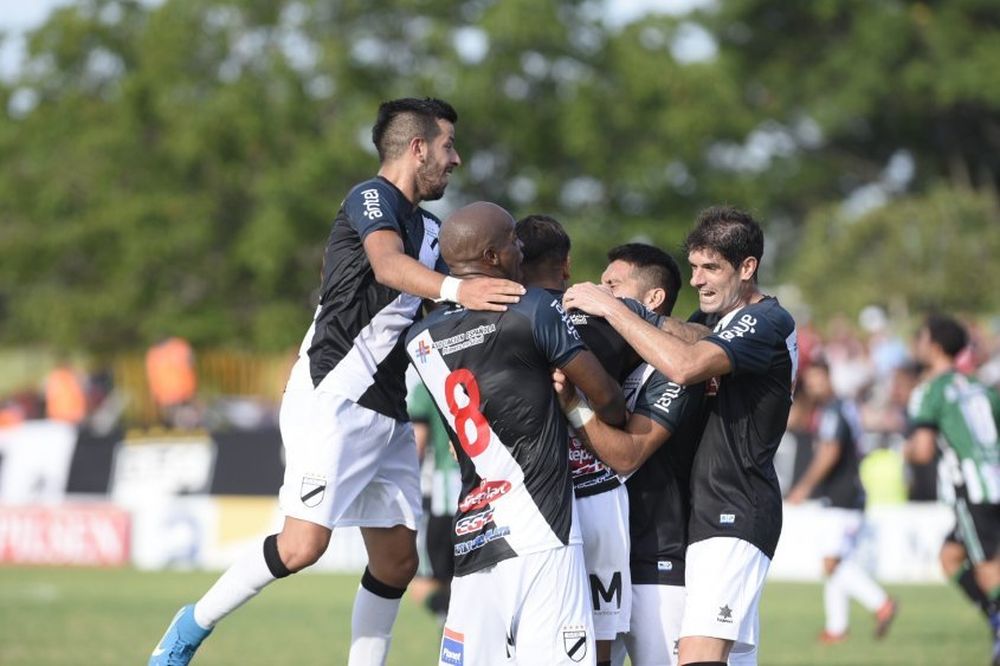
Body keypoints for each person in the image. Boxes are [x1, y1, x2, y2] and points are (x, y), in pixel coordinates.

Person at [148, 98, 524, 666]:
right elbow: (387, 267)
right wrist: (457, 290)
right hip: (337, 397)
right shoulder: (369, 198)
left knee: (397, 560)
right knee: (303, 546)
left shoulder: (432, 229)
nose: (457, 159)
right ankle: (188, 628)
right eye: (448, 146)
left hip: (389, 411)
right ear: (417, 147)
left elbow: (455, 309)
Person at [564, 206, 798, 666]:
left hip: (736, 508)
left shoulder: (768, 320)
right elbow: (689, 333)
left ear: (747, 268)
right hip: (706, 515)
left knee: (697, 658)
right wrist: (631, 310)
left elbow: (687, 364)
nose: (696, 280)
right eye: (693, 267)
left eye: (711, 268)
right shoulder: (716, 320)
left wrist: (609, 307)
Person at [406, 201, 626, 666]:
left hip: (474, 532)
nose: (521, 248)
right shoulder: (533, 308)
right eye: (512, 240)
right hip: (541, 529)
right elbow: (608, 399)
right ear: (491, 257)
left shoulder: (420, 338)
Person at [562, 242, 707, 666]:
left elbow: (628, 456)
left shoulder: (677, 367)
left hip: (657, 556)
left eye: (612, 285)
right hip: (597, 549)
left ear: (652, 299)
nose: (598, 293)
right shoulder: (603, 359)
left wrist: (573, 405)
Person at [517, 216, 643, 666]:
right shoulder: (609, 321)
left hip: (528, 499)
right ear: (567, 265)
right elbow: (614, 405)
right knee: (597, 643)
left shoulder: (500, 323)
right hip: (597, 495)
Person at [904, 314, 1000, 665]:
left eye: (922, 337)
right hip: (994, 481)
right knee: (951, 557)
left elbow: (924, 450)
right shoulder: (980, 387)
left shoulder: (933, 389)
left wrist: (907, 449)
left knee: (988, 567)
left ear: (935, 346)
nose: (917, 344)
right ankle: (995, 621)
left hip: (972, 489)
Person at [786, 359, 897, 643]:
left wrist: (803, 487)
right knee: (835, 561)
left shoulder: (834, 411)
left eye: (817, 380)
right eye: (809, 382)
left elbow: (830, 452)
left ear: (828, 377)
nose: (813, 386)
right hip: (844, 493)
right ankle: (837, 628)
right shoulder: (838, 407)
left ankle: (881, 602)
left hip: (842, 495)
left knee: (832, 563)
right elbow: (797, 421)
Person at [407, 380, 461, 624]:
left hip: (446, 496)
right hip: (488, 491)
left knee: (425, 586)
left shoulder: (428, 383)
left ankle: (449, 625)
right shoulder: (482, 366)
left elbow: (417, 444)